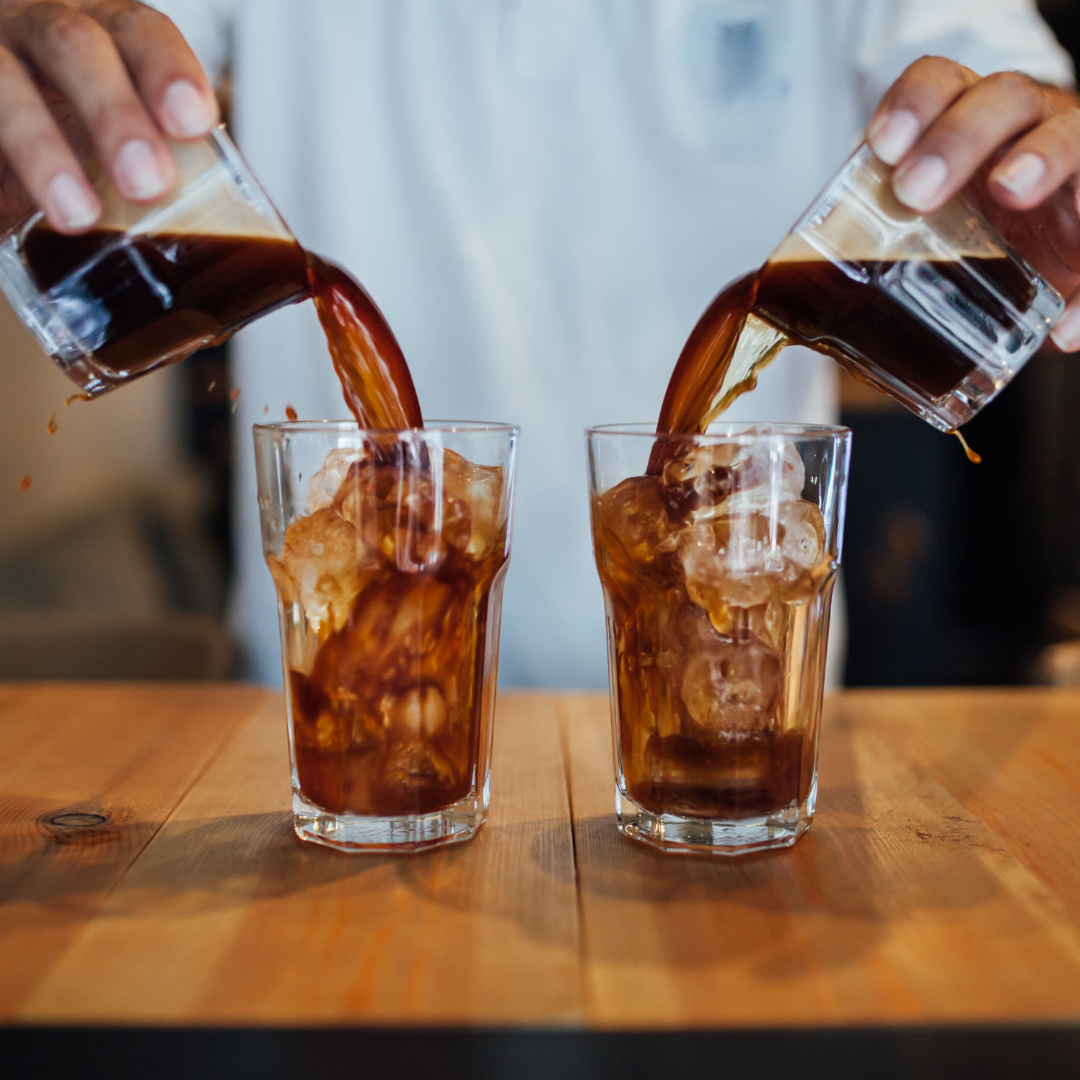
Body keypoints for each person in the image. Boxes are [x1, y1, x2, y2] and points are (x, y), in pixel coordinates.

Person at [0, 0, 1075, 688]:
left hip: (739, 716)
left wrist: (1046, 170)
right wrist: (45, 87)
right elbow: (91, 44)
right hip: (323, 714)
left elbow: (1020, 108)